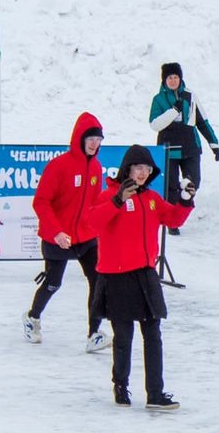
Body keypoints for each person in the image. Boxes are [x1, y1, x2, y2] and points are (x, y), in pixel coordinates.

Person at [83, 145, 193, 409]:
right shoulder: (109, 195)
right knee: (124, 336)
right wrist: (118, 200)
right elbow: (92, 223)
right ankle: (120, 385)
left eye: (147, 169)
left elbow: (173, 219)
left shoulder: (151, 198)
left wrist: (186, 201)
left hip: (146, 274)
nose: (143, 173)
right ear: (127, 170)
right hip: (117, 275)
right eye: (138, 168)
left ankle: (155, 393)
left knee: (153, 334)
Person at [24, 112, 111, 352]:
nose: (95, 144)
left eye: (99, 140)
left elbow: (94, 205)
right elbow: (41, 202)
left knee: (97, 281)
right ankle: (32, 318)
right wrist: (56, 232)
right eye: (91, 139)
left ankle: (94, 333)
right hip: (57, 237)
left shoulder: (96, 168)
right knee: (53, 283)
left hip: (85, 237)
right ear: (80, 139)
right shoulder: (59, 166)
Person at [148, 61, 219, 222]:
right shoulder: (158, 99)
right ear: (164, 80)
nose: (173, 80)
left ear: (180, 78)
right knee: (171, 187)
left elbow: (202, 121)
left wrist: (213, 143)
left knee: (193, 182)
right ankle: (173, 220)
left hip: (190, 147)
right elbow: (154, 124)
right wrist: (174, 111)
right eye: (169, 78)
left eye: (176, 77)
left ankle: (184, 203)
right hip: (169, 149)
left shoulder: (190, 95)